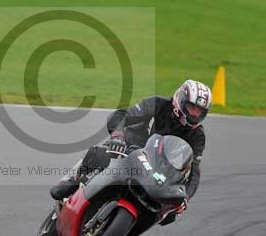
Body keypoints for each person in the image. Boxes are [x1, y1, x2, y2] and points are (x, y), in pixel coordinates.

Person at [50, 79, 212, 225]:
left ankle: (125, 229)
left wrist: (186, 198)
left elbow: (194, 169)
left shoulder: (197, 135)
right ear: (181, 100)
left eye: (200, 111)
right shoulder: (158, 104)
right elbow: (123, 114)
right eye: (191, 107)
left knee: (168, 213)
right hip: (127, 148)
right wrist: (118, 136)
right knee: (100, 155)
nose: (194, 114)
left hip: (156, 171)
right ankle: (72, 180)